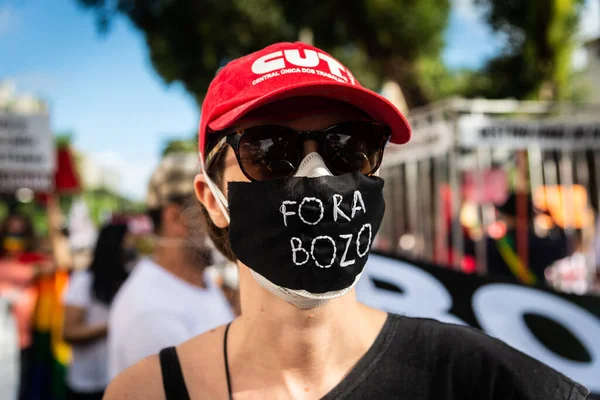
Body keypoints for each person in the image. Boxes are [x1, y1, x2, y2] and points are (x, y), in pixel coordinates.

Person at [105, 42, 589, 399]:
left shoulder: (478, 379)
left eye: (350, 147)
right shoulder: (147, 391)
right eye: (270, 151)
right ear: (212, 199)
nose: (317, 176)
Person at [107, 152, 234, 379]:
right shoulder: (152, 315)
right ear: (176, 218)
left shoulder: (199, 281)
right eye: (210, 203)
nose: (224, 219)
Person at [62, 222, 132, 400]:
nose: (131, 249)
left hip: (119, 381)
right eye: (128, 243)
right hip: (88, 383)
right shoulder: (84, 280)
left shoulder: (130, 279)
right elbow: (69, 332)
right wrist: (111, 327)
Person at [0, 212, 53, 399]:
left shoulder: (34, 260)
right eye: (10, 232)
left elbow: (59, 263)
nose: (14, 238)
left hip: (22, 340)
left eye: (19, 233)